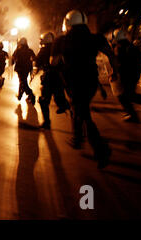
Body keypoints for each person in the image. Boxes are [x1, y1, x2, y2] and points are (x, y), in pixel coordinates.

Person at [52, 10, 118, 169]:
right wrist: (114, 72)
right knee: (79, 108)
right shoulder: (96, 38)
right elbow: (111, 56)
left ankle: (101, 149)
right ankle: (77, 138)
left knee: (82, 112)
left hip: (74, 81)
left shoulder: (61, 41)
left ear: (67, 23)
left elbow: (53, 63)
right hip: (91, 82)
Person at [112, 29, 141, 122]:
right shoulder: (130, 45)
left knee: (124, 95)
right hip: (133, 74)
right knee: (126, 94)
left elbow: (119, 62)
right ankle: (132, 113)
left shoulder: (120, 47)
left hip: (127, 75)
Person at [35, 32, 70, 129]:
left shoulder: (43, 50)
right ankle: (68, 109)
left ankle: (47, 122)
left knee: (44, 100)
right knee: (59, 96)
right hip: (59, 77)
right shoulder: (59, 47)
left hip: (49, 77)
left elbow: (37, 63)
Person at [12, 37, 36, 104]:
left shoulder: (18, 50)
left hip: (20, 68)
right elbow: (34, 58)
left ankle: (30, 94)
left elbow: (13, 58)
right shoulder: (29, 50)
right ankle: (20, 95)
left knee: (23, 82)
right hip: (27, 68)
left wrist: (11, 63)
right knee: (22, 81)